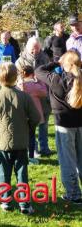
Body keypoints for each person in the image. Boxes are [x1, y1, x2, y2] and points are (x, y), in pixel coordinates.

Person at [0, 62, 40, 214]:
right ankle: (24, 204)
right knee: (22, 173)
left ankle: (5, 200)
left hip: (2, 143)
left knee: (3, 172)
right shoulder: (25, 97)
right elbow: (36, 117)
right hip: (21, 142)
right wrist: (28, 128)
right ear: (16, 77)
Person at [35, 50, 82, 204]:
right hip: (79, 124)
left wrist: (57, 62)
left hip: (64, 125)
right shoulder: (79, 79)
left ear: (65, 64)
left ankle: (74, 194)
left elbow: (39, 70)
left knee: (67, 160)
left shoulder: (56, 79)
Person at [15, 37, 52, 157]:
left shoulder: (45, 58)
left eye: (37, 48)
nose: (34, 51)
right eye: (32, 49)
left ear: (40, 47)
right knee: (31, 125)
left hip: (43, 95)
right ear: (27, 48)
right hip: (28, 98)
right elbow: (17, 77)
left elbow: (50, 74)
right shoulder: (20, 61)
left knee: (44, 123)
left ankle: (44, 147)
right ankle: (33, 148)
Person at [17, 65, 47, 165]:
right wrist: (39, 80)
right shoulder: (34, 86)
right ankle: (31, 155)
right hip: (32, 115)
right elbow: (44, 92)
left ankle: (22, 155)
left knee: (22, 136)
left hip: (21, 114)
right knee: (31, 136)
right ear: (32, 74)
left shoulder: (18, 85)